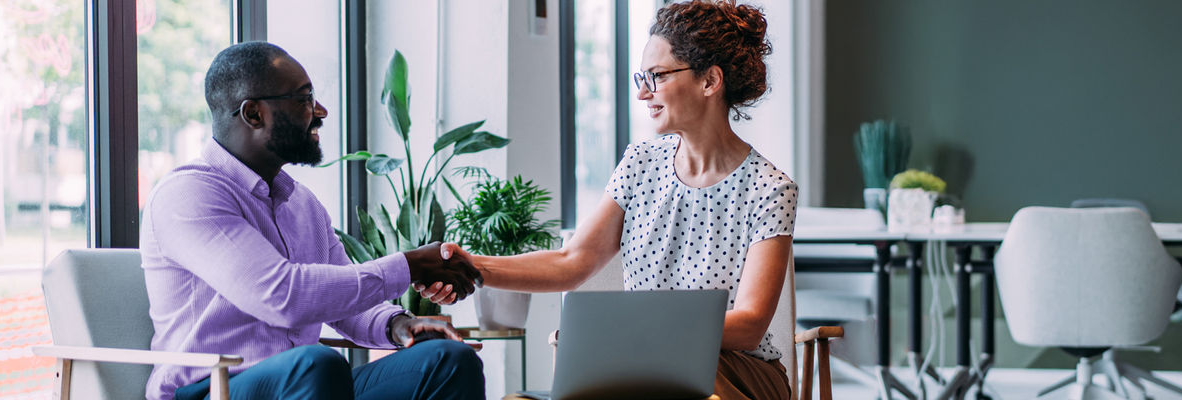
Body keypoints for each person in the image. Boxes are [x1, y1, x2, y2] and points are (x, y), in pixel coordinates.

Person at [423, 1, 796, 398]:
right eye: (642, 77)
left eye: (657, 76)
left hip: (737, 372)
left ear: (710, 81)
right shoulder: (639, 163)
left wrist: (636, 332)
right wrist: (474, 267)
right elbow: (572, 261)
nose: (641, 93)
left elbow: (752, 323)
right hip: (642, 363)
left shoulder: (770, 189)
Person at [141, 42, 485, 400]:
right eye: (303, 99)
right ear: (254, 114)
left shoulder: (301, 203)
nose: (320, 111)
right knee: (315, 364)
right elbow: (283, 297)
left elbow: (345, 305)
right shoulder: (189, 193)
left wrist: (399, 324)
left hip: (311, 385)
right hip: (211, 389)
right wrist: (410, 265)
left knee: (448, 359)